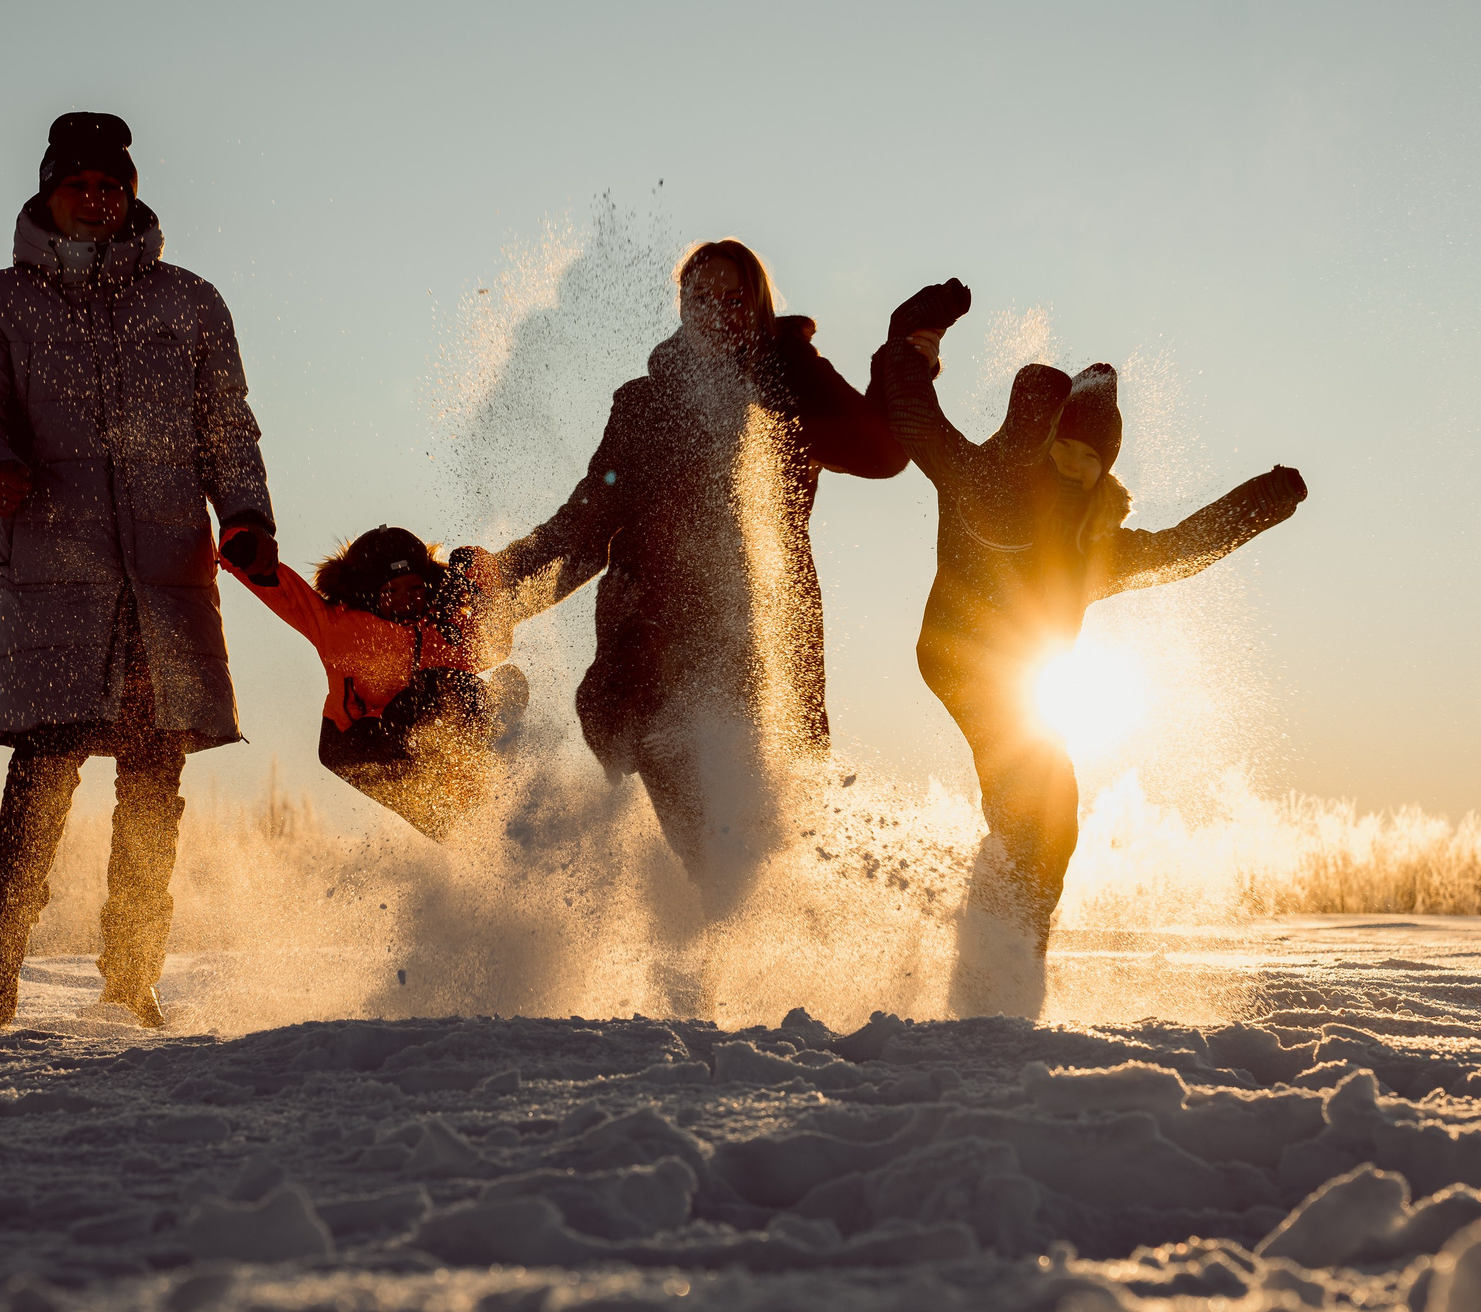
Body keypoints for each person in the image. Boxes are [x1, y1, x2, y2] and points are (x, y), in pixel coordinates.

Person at [870, 282, 1306, 1015]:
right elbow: (916, 418)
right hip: (958, 656)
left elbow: (1179, 549)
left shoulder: (1092, 547)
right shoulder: (981, 478)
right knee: (1037, 789)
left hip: (1021, 682)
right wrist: (913, 334)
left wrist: (1257, 504)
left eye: (1089, 458)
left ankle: (1009, 932)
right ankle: (1005, 909)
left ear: (1107, 466)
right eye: (1064, 448)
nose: (1073, 465)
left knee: (1053, 813)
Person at [0, 112, 279, 1030]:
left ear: (131, 195)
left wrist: (246, 516)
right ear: (49, 193)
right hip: (58, 568)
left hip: (166, 574)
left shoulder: (190, 304)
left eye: (110, 187)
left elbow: (228, 428)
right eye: (78, 186)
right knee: (46, 760)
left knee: (155, 771)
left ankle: (130, 978)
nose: (95, 200)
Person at [495, 238, 907, 910]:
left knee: (765, 846)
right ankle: (706, 953)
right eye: (699, 297)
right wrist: (501, 586)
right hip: (651, 651)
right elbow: (586, 523)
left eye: (734, 297)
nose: (716, 310)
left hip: (759, 654)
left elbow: (880, 452)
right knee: (691, 806)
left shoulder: (787, 388)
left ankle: (747, 973)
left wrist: (880, 355)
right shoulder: (640, 405)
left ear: (758, 307)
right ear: (681, 308)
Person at [220, 522, 527, 839]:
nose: (405, 601)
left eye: (415, 589)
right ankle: (466, 803)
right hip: (358, 742)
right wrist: (243, 551)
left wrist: (478, 571)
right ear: (367, 594)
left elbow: (495, 643)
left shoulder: (441, 626)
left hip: (427, 739)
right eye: (390, 592)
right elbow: (282, 590)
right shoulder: (339, 627)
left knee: (458, 698)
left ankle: (482, 828)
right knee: (432, 691)